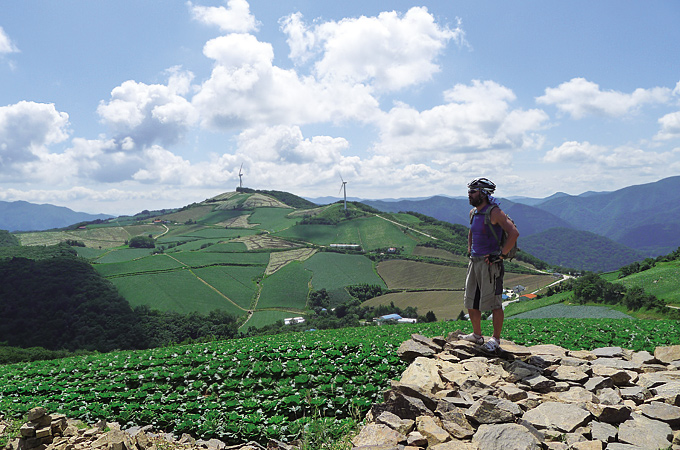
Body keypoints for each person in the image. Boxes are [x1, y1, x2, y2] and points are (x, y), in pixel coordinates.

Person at [461, 177, 519, 352]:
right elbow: (472, 232)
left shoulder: (494, 212)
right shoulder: (474, 213)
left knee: (494, 303)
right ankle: (477, 335)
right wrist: (470, 248)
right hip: (475, 262)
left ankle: (495, 339)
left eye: (473, 191)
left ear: (483, 193)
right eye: (469, 191)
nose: (469, 194)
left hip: (490, 265)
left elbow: (513, 233)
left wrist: (500, 256)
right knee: (471, 300)